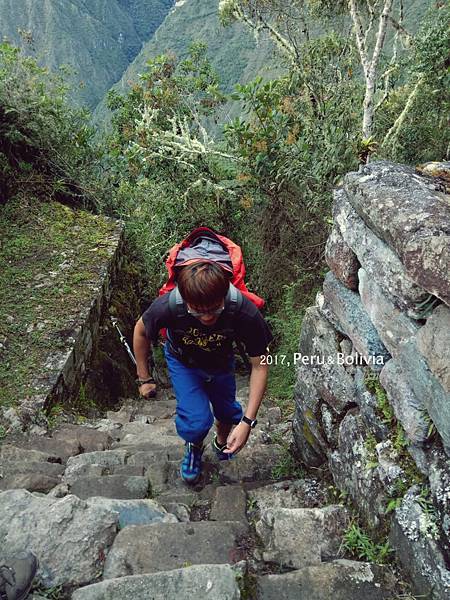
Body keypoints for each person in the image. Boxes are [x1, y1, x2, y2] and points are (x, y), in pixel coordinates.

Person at [133, 261, 273, 484]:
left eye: (215, 309)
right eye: (198, 311)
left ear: (224, 294)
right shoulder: (169, 306)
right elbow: (140, 331)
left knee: (227, 411)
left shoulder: (243, 311)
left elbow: (261, 364)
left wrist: (247, 422)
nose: (207, 317)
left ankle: (221, 440)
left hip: (221, 361)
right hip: (183, 363)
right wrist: (145, 378)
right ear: (186, 301)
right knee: (196, 421)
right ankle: (194, 446)